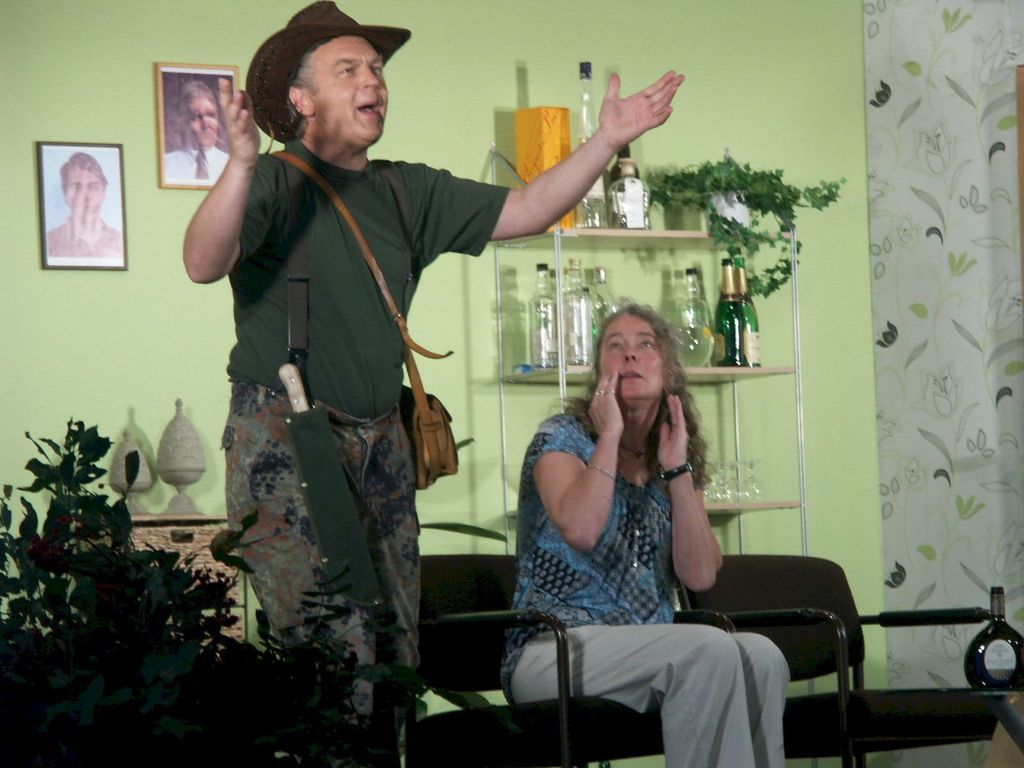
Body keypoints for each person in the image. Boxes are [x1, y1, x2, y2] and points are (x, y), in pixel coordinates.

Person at [182, 1, 684, 762]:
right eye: (348, 69)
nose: (373, 81)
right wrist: (243, 165)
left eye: (376, 69)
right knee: (324, 644)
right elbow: (201, 262)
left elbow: (527, 208)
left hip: (381, 439)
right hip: (287, 436)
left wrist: (606, 141)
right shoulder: (273, 183)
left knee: (393, 648)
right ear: (300, 98)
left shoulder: (404, 190)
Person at [501, 303, 789, 768]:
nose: (630, 355)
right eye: (615, 346)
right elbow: (582, 529)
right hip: (552, 650)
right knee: (707, 649)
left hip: (645, 646)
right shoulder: (561, 438)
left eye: (645, 344)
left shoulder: (670, 454)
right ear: (598, 373)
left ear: (668, 369)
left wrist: (677, 471)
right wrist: (610, 437)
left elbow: (699, 575)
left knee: (761, 656)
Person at [46, 152, 124, 263]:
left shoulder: (120, 240)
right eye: (77, 188)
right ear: (65, 193)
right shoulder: (49, 241)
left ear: (104, 192)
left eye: (94, 187)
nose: (86, 196)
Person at [163, 79, 229, 183]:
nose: (206, 124)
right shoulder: (166, 165)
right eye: (196, 116)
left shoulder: (230, 165)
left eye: (211, 115)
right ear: (183, 122)